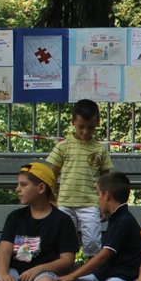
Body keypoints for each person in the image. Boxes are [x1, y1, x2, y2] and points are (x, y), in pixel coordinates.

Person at [47, 98, 112, 256]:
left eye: (90, 128)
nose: (85, 131)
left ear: (97, 123)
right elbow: (51, 174)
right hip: (65, 202)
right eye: (81, 127)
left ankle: (93, 272)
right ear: (73, 122)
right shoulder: (63, 146)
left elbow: (107, 179)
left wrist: (106, 205)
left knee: (92, 242)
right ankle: (64, 270)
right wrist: (51, 198)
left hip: (90, 204)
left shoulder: (100, 149)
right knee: (64, 241)